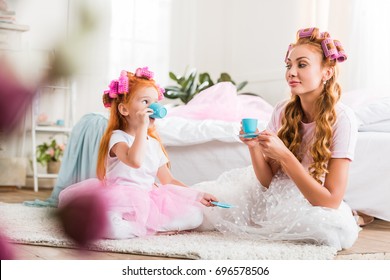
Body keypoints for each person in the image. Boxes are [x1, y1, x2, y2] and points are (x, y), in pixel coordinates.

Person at [196, 27, 360, 250]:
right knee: (206, 209)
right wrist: (254, 147)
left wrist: (285, 155)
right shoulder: (282, 110)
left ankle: (357, 215)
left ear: (327, 72)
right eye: (289, 65)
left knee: (328, 231)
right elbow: (267, 183)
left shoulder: (343, 119)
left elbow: (330, 201)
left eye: (301, 64)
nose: (291, 72)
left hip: (312, 198)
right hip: (273, 196)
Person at [58, 67, 217, 239]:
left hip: (147, 201)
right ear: (124, 110)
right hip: (118, 199)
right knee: (108, 226)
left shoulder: (154, 144)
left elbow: (168, 180)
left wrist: (196, 195)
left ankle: (145, 227)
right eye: (145, 102)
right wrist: (142, 127)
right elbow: (134, 161)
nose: (153, 107)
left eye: (155, 102)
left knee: (195, 216)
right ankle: (149, 228)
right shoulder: (117, 138)